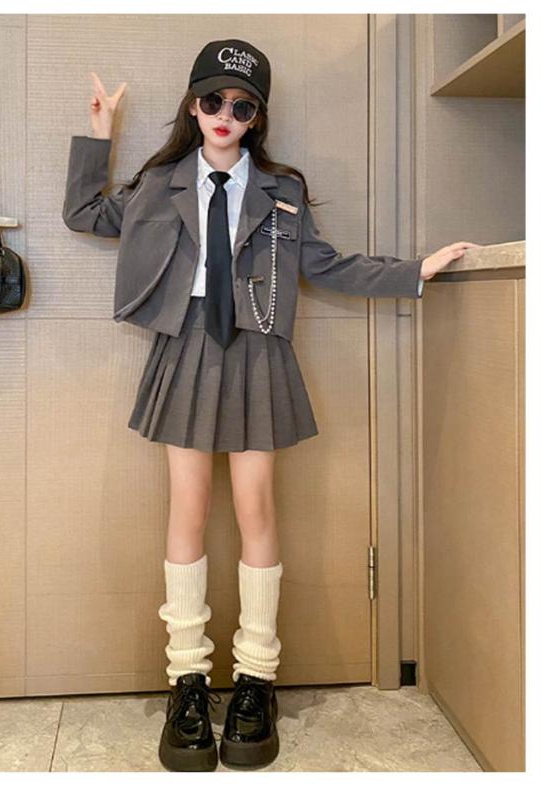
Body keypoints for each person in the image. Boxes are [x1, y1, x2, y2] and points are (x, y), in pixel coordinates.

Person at [62, 37, 480, 772]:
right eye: (213, 100)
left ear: (257, 117)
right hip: (185, 345)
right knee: (187, 508)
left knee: (257, 507)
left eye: (242, 105)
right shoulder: (160, 183)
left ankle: (256, 678)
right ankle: (187, 681)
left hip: (258, 348)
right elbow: (85, 213)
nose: (225, 114)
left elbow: (326, 264)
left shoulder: (280, 189)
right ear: (193, 106)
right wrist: (101, 134)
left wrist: (417, 270)